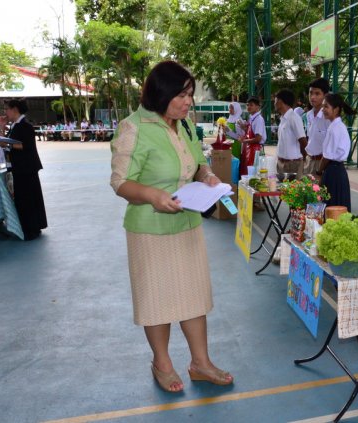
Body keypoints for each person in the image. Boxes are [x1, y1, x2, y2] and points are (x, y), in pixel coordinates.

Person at [110, 61, 232, 393]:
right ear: (160, 93)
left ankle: (200, 363)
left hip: (187, 223)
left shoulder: (186, 125)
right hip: (149, 230)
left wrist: (206, 176)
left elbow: (198, 163)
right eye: (181, 95)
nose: (188, 102)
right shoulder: (133, 127)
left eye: (190, 94)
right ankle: (161, 363)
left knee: (194, 296)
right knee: (157, 300)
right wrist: (151, 195)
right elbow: (120, 182)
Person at [0, 99, 47, 240]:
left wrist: (7, 145)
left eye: (7, 109)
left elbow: (24, 145)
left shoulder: (24, 126)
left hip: (26, 167)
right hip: (22, 167)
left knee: (27, 199)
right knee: (28, 198)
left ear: (15, 109)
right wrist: (2, 128)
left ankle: (30, 229)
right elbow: (7, 140)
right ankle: (32, 227)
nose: (5, 112)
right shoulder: (16, 125)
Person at [316, 93, 353, 211]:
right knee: (336, 207)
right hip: (336, 171)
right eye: (323, 106)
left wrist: (319, 172)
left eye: (326, 106)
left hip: (333, 172)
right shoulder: (336, 126)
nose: (323, 110)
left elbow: (327, 156)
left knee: (332, 207)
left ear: (336, 109)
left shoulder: (335, 128)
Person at [275, 89, 307, 178]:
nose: (274, 104)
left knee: (293, 191)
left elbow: (303, 140)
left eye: (275, 101)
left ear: (280, 101)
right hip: (281, 163)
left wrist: (303, 161)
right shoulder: (283, 119)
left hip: (293, 164)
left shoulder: (294, 118)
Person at [304, 78, 330, 178]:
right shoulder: (308, 115)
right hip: (309, 161)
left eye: (317, 93)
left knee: (321, 193)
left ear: (325, 96)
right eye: (311, 93)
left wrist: (320, 170)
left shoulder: (328, 118)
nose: (312, 97)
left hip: (322, 164)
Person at [239, 96, 267, 175]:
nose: (248, 107)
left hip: (255, 150)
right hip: (249, 149)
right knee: (247, 173)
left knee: (252, 174)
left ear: (257, 107)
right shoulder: (252, 118)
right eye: (247, 105)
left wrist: (244, 141)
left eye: (251, 105)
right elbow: (251, 134)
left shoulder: (259, 119)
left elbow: (258, 138)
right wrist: (244, 128)